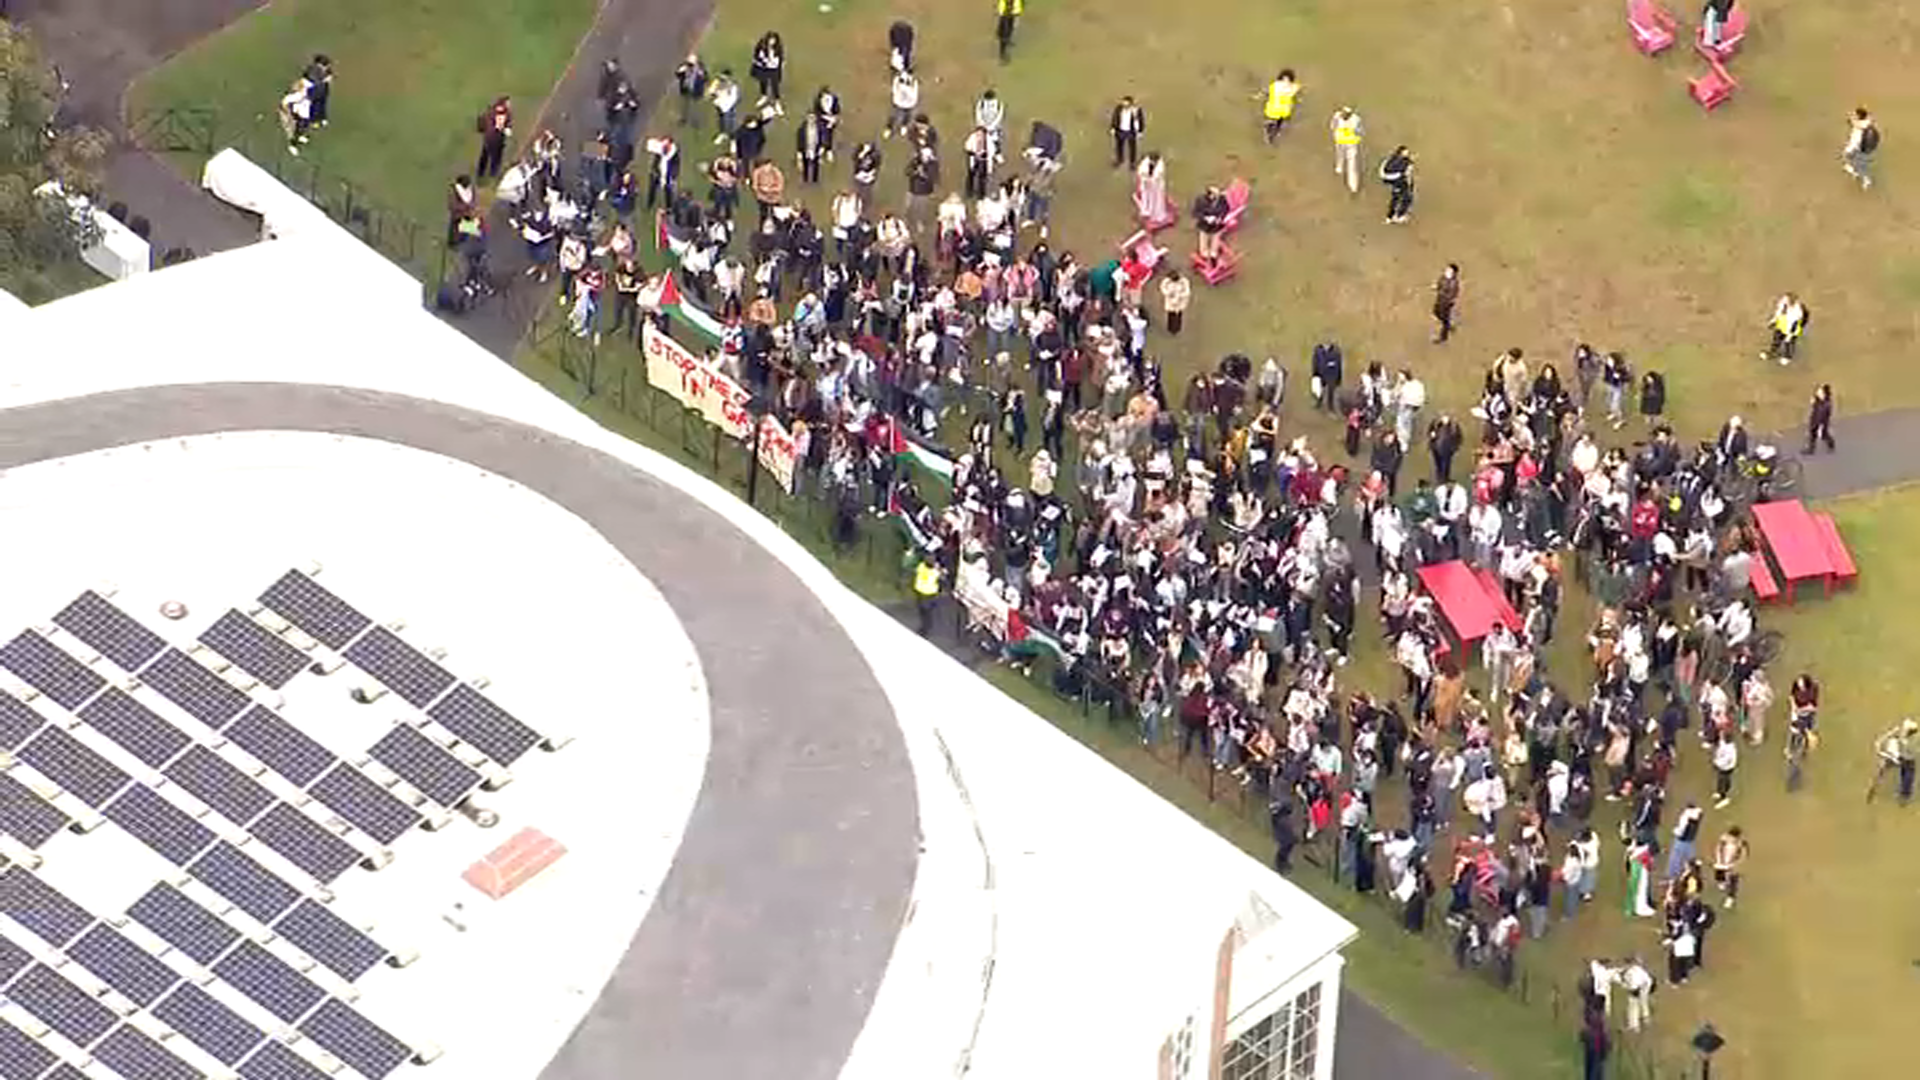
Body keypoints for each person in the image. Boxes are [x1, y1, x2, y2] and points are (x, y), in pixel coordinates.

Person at [1870, 718, 1919, 804]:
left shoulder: (1912, 739)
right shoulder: (1898, 735)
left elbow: (1879, 742)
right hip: (1895, 756)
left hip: (1902, 758)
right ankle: (1873, 790)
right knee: (1883, 772)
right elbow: (1880, 742)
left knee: (1908, 773)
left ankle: (1904, 797)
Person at [1763, 292, 1809, 365]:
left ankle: (1787, 357)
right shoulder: (1783, 304)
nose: (1783, 300)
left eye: (1786, 299)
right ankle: (1772, 352)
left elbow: (1795, 324)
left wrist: (1790, 335)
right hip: (1782, 325)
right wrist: (1773, 321)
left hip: (1791, 328)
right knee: (1776, 339)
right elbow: (1778, 312)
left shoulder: (1797, 311)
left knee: (1788, 343)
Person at [1192, 184, 1231, 266]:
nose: (1218, 197)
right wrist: (1206, 218)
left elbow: (1226, 208)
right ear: (1210, 195)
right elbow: (1195, 213)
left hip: (1217, 225)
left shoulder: (1221, 199)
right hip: (1204, 225)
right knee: (1203, 240)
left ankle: (1214, 255)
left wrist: (1220, 218)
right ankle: (1204, 254)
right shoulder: (1200, 200)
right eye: (1216, 195)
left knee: (1215, 239)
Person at [475, 96, 512, 179]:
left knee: (496, 156)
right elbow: (484, 122)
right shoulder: (491, 112)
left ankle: (493, 172)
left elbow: (508, 122)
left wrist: (507, 128)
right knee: (486, 155)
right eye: (508, 103)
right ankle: (481, 172)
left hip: (499, 138)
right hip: (491, 138)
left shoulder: (506, 113)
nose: (509, 105)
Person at [1843, 106, 1879, 190]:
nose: (1853, 115)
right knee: (1851, 158)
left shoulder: (1861, 124)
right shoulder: (1866, 122)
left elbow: (1851, 122)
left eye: (1856, 114)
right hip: (1856, 143)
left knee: (1855, 161)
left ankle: (1865, 179)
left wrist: (1852, 118)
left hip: (1856, 144)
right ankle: (1853, 170)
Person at [1710, 825, 1747, 908]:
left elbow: (1743, 855)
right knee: (1719, 873)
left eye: (1734, 838)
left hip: (1732, 864)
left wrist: (1734, 864)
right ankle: (1721, 883)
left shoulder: (1741, 843)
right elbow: (1718, 849)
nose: (1731, 839)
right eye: (1730, 837)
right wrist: (1719, 860)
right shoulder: (1724, 838)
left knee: (1733, 879)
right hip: (1722, 861)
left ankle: (1730, 898)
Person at [1330, 106, 1364, 195]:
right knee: (1339, 155)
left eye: (1346, 115)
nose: (1344, 116)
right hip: (1340, 142)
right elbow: (1333, 126)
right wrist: (1336, 135)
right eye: (1343, 114)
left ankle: (1353, 186)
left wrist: (1357, 139)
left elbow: (1360, 131)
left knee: (1352, 165)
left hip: (1351, 144)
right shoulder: (1337, 116)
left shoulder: (1356, 120)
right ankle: (1339, 166)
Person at [1261, 69, 1301, 143]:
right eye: (1284, 80)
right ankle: (1269, 136)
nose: (1285, 82)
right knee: (1270, 126)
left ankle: (1272, 136)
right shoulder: (1276, 86)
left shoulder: (1292, 88)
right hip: (1273, 111)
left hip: (1283, 113)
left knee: (1277, 128)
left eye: (1287, 80)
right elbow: (1267, 93)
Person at [1380, 145, 1415, 224]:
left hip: (1389, 179)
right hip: (1397, 180)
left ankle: (1390, 216)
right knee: (1407, 197)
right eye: (1406, 153)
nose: (1407, 154)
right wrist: (1409, 185)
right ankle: (1399, 216)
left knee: (1396, 197)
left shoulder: (1391, 159)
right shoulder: (1406, 163)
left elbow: (1383, 170)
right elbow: (1407, 174)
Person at [278, 77, 312, 155]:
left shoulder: (306, 89)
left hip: (299, 109)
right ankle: (292, 145)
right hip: (288, 113)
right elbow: (284, 104)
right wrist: (289, 113)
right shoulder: (295, 96)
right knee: (292, 128)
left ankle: (300, 135)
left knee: (303, 123)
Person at [1110, 95, 1146, 168]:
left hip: (1131, 131)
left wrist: (1140, 131)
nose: (1125, 106)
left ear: (1131, 104)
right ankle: (1119, 160)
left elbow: (1141, 120)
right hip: (1120, 130)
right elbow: (1115, 117)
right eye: (1124, 103)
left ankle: (1132, 163)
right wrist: (1113, 127)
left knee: (1132, 147)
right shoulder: (1119, 108)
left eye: (1127, 104)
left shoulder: (1136, 111)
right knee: (1119, 146)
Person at [674, 54, 709, 127]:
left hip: (696, 91)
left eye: (691, 64)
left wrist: (702, 75)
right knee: (684, 106)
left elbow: (706, 79)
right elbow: (677, 75)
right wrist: (680, 71)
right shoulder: (684, 67)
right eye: (689, 64)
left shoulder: (700, 69)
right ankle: (683, 119)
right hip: (686, 90)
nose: (690, 66)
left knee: (695, 107)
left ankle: (696, 121)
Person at [886, 67, 920, 140]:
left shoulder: (913, 82)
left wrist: (907, 91)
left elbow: (915, 93)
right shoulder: (898, 80)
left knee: (907, 116)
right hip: (899, 102)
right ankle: (889, 128)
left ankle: (903, 127)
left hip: (909, 103)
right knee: (894, 115)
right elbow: (894, 88)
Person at [750, 31, 785, 102]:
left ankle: (777, 100)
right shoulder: (762, 46)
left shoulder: (777, 49)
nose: (771, 42)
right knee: (763, 82)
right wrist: (763, 61)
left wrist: (779, 65)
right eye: (770, 40)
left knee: (775, 85)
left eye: (773, 40)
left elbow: (780, 59)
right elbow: (756, 57)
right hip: (764, 69)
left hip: (774, 70)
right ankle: (764, 96)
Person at [912, 555, 943, 635]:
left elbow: (916, 570)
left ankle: (925, 628)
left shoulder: (921, 566)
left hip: (921, 591)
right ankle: (926, 627)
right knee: (927, 612)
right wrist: (939, 567)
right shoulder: (935, 572)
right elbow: (942, 576)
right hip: (929, 593)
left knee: (923, 611)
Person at [708, 69, 742, 139]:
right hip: (720, 105)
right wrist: (715, 97)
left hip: (727, 106)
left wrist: (726, 106)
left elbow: (733, 98)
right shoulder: (717, 83)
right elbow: (710, 92)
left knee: (730, 121)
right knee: (721, 120)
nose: (722, 80)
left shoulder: (732, 86)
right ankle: (722, 133)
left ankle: (732, 136)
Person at [1432, 262, 1460, 342]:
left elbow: (1452, 294)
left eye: (1449, 271)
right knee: (1436, 312)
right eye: (1447, 270)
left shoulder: (1453, 283)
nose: (1447, 272)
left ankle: (1443, 337)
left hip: (1446, 303)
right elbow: (1440, 284)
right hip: (1440, 300)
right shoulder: (1443, 278)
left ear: (1454, 273)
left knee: (1444, 319)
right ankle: (1448, 325)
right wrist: (1436, 287)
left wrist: (1449, 301)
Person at [445, 175, 476, 248]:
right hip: (457, 215)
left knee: (466, 231)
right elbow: (452, 205)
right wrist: (464, 207)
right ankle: (452, 244)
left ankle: (463, 243)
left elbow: (474, 200)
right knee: (454, 230)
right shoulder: (453, 191)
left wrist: (471, 206)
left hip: (468, 214)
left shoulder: (471, 190)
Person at [303, 55, 334, 129]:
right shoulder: (312, 69)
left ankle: (322, 119)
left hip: (323, 90)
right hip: (314, 91)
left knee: (322, 105)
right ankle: (314, 122)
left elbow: (330, 75)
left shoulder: (327, 69)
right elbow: (311, 79)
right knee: (314, 107)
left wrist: (329, 78)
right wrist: (324, 79)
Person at [1805, 383, 1836, 453]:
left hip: (1821, 422)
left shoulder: (1826, 404)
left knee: (1823, 435)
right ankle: (1811, 449)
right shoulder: (1818, 401)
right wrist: (1813, 403)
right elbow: (1814, 409)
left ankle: (1831, 444)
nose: (1817, 393)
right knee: (1813, 434)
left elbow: (1823, 415)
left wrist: (1820, 425)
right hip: (1815, 420)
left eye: (1820, 392)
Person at [1160, 269, 1190, 334]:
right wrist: (1168, 293)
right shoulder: (1166, 281)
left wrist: (1180, 295)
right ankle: (1170, 328)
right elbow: (1162, 288)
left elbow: (1187, 292)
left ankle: (1178, 328)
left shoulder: (1184, 281)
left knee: (1179, 314)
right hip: (1170, 301)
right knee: (1170, 314)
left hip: (1180, 301)